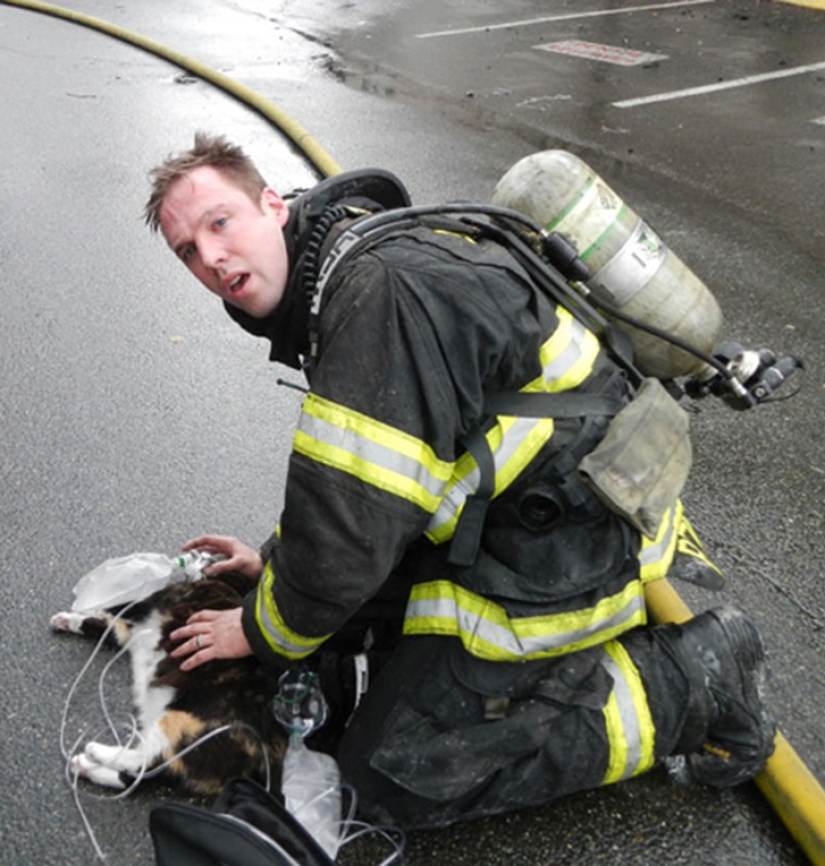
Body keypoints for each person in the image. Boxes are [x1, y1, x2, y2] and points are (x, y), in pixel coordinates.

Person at [145, 132, 775, 828]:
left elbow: (350, 531)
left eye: (219, 223)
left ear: (274, 203)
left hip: (564, 543)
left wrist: (259, 628)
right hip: (520, 510)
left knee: (392, 780)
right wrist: (274, 566)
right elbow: (361, 488)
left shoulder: (377, 292)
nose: (210, 257)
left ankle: (693, 680)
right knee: (340, 651)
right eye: (188, 251)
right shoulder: (352, 262)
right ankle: (518, 676)